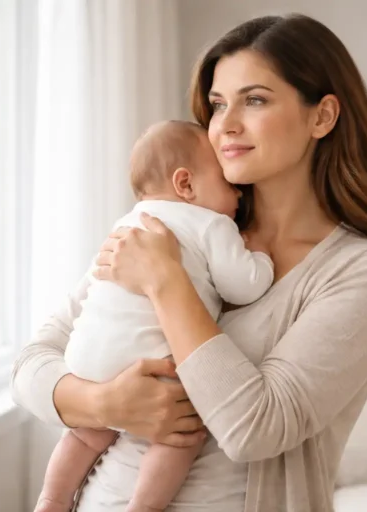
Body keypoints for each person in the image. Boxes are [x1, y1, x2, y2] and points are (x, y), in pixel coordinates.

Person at [12, 13, 367, 512]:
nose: (224, 125)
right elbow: (31, 365)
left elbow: (255, 428)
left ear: (322, 116)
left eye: (254, 100)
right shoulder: (175, 225)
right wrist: (106, 404)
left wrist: (167, 282)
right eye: (217, 104)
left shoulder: (361, 271)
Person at [35, 120, 274, 512]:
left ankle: (52, 499)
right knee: (181, 434)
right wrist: (260, 256)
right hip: (149, 358)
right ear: (186, 185)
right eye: (229, 184)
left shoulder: (127, 224)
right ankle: (143, 507)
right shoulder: (213, 224)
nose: (237, 196)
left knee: (85, 435)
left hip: (86, 356)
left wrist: (98, 401)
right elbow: (244, 286)